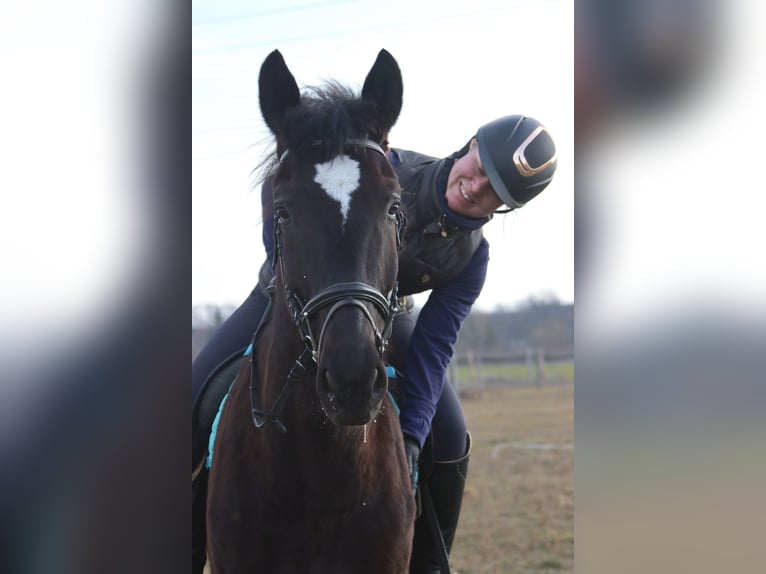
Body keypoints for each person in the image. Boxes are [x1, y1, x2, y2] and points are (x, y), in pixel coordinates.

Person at [192, 114, 558, 573]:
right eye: (480, 169)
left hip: (388, 314)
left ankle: (429, 561)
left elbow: (434, 345)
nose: (474, 189)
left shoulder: (472, 258)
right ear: (469, 146)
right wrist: (280, 252)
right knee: (192, 395)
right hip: (285, 295)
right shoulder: (383, 165)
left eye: (494, 194)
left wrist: (412, 435)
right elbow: (284, 181)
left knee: (449, 432)